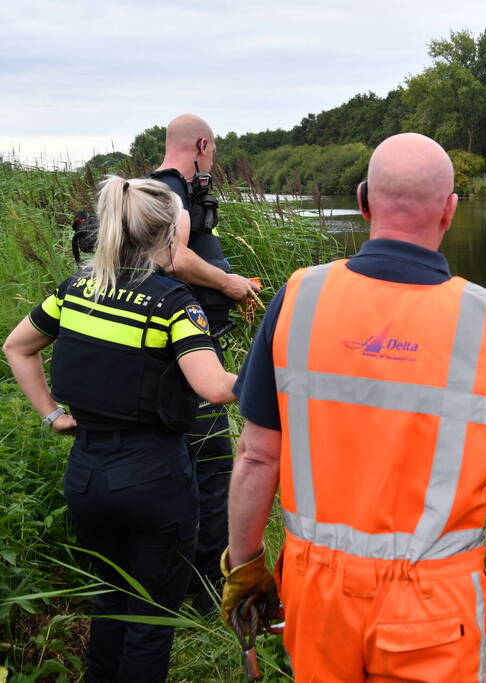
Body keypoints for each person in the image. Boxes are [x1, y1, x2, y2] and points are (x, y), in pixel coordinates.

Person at [220, 133, 486, 681]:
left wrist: (245, 564)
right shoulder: (484, 322)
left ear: (362, 200)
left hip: (318, 595)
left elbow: (257, 457)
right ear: (450, 210)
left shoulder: (299, 299)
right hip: (436, 600)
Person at [3, 175, 238, 681]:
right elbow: (215, 387)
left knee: (111, 597)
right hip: (154, 480)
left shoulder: (76, 290)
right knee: (151, 618)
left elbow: (16, 347)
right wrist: (281, 372)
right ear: (171, 234)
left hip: (86, 475)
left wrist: (52, 414)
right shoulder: (174, 303)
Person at [150, 113, 260, 611]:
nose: (210, 163)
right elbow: (172, 258)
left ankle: (178, 575)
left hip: (177, 347)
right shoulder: (171, 192)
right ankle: (207, 589)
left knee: (185, 457)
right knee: (213, 459)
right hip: (187, 352)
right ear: (201, 145)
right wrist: (228, 283)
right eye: (212, 153)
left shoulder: (148, 191)